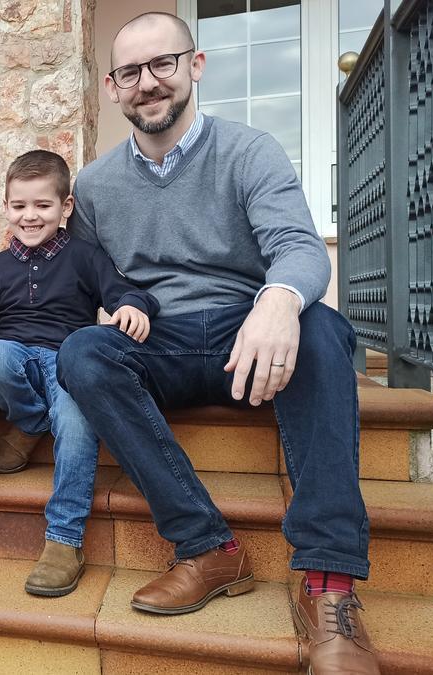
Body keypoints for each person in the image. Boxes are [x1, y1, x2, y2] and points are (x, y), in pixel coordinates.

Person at [58, 12, 379, 674]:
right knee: (83, 352)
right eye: (130, 73)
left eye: (162, 64)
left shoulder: (250, 149)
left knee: (321, 327)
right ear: (114, 88)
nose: (148, 83)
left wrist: (280, 299)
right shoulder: (92, 186)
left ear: (195, 66)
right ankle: (208, 547)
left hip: (248, 330)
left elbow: (296, 246)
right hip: (163, 339)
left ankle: (327, 587)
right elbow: (92, 282)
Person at [0, 150, 158, 597]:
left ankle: (64, 540)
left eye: (42, 206)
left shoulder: (86, 256)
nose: (29, 216)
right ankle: (34, 422)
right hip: (16, 358)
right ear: (6, 206)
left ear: (65, 207)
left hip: (69, 359)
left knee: (74, 420)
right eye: (19, 206)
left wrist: (132, 306)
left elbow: (122, 291)